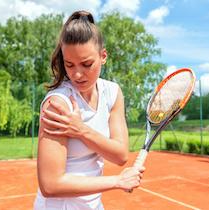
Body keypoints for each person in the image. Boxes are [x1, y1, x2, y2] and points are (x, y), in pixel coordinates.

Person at [34, 10, 144, 210]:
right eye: (69, 64)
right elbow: (50, 184)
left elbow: (120, 155)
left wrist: (80, 130)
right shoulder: (58, 103)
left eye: (86, 64)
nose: (77, 74)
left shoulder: (112, 92)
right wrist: (117, 182)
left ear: (103, 56)